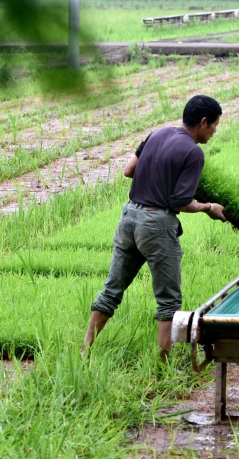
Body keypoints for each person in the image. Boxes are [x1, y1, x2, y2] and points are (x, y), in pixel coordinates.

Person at [82, 95, 228, 360]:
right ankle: (163, 366)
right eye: (215, 125)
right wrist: (209, 208)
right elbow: (180, 202)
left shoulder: (157, 134)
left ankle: (84, 351)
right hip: (156, 225)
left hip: (129, 218)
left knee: (111, 290)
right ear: (203, 122)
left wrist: (157, 178)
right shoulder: (194, 153)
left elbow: (128, 171)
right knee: (169, 301)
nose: (215, 131)